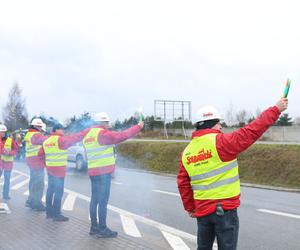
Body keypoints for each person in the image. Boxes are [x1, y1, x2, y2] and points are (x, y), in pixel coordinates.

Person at [177, 98, 288, 250]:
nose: (221, 126)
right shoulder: (222, 143)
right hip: (225, 211)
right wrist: (276, 109)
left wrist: (190, 208)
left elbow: (183, 183)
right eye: (219, 123)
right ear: (213, 123)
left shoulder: (187, 152)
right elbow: (252, 130)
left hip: (202, 211)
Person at [83, 112, 144, 237]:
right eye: (106, 123)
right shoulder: (102, 134)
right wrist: (138, 127)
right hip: (103, 172)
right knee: (103, 201)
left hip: (93, 171)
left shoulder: (88, 135)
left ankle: (94, 227)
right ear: (102, 123)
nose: (108, 125)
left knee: (94, 200)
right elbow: (122, 135)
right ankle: (103, 229)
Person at [32, 123, 88, 221]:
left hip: (50, 169)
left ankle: (49, 213)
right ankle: (57, 214)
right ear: (56, 130)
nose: (63, 131)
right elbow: (75, 138)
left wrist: (46, 164)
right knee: (58, 192)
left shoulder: (47, 141)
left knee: (50, 190)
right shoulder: (61, 139)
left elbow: (40, 154)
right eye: (61, 129)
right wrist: (86, 131)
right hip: (59, 171)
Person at [24, 118, 46, 211]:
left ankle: (30, 201)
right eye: (38, 126)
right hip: (37, 161)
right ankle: (37, 204)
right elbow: (47, 141)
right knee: (39, 183)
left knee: (33, 182)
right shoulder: (36, 135)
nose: (40, 128)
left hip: (31, 160)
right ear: (34, 126)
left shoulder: (29, 134)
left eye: (40, 126)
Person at [0, 124, 18, 200]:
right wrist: (3, 151)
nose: (3, 133)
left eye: (4, 132)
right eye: (1, 132)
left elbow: (15, 149)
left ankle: (5, 195)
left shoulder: (10, 140)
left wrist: (9, 153)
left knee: (7, 180)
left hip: (8, 164)